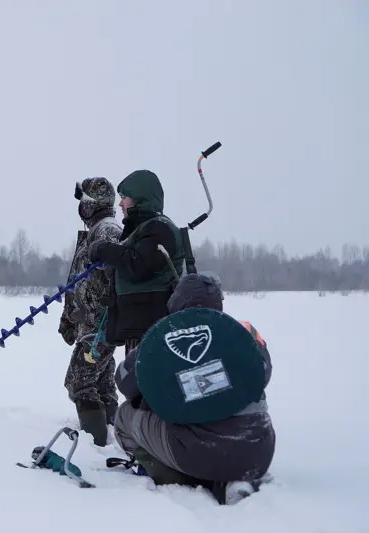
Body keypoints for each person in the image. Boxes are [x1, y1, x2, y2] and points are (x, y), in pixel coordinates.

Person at [111, 273, 275, 504]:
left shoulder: (160, 337)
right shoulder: (244, 331)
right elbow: (264, 372)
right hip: (257, 449)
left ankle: (173, 475)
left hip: (194, 453)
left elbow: (124, 381)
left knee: (124, 416)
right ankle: (237, 480)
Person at [88, 169, 185, 353]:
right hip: (140, 330)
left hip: (154, 331)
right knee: (133, 381)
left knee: (147, 381)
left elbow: (136, 264)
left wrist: (102, 249)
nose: (120, 203)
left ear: (140, 199)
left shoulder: (160, 229)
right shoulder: (142, 230)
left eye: (125, 197)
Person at [58, 177, 123, 446]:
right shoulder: (93, 232)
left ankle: (95, 445)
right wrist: (69, 316)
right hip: (92, 326)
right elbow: (80, 280)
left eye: (82, 200)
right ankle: (115, 438)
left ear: (91, 203)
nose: (79, 207)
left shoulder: (107, 231)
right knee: (103, 386)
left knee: (79, 381)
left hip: (100, 327)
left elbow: (116, 274)